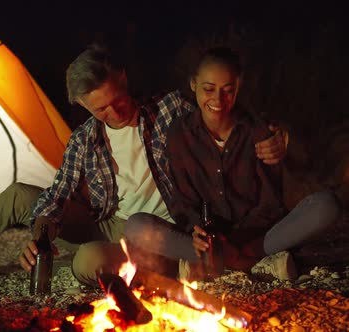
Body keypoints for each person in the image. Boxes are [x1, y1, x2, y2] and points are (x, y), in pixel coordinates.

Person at [0, 43, 287, 287]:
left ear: (123, 79)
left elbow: (222, 107)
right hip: (112, 222)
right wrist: (40, 235)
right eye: (100, 109)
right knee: (21, 197)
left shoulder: (170, 108)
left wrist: (272, 133)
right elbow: (58, 195)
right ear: (84, 107)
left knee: (86, 263)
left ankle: (172, 268)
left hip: (163, 230)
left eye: (117, 99)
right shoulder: (86, 139)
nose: (115, 112)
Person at [125, 47, 342, 282]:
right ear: (193, 84)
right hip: (208, 242)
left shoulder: (257, 130)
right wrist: (197, 232)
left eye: (227, 90)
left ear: (237, 89)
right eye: (208, 89)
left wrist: (238, 242)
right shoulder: (180, 133)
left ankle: (230, 262)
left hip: (256, 238)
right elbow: (182, 201)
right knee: (137, 225)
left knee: (325, 206)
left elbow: (269, 203)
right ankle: (254, 264)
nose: (218, 99)